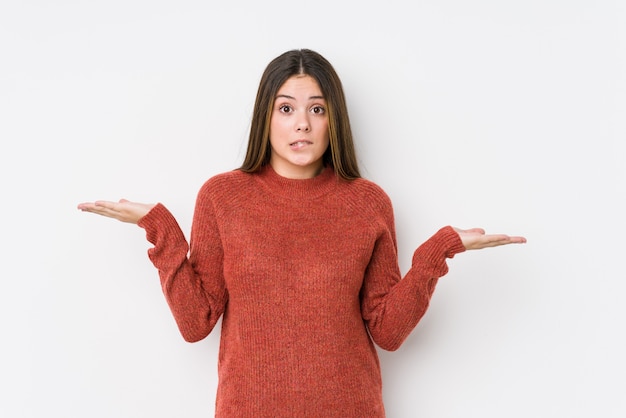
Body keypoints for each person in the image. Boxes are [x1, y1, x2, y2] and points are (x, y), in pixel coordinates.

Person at [77, 48, 526, 417]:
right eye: (286, 109)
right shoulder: (222, 197)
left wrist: (436, 254)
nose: (302, 124)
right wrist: (162, 229)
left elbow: (388, 332)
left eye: (317, 109)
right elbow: (196, 323)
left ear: (334, 120)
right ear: (265, 117)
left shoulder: (368, 203)